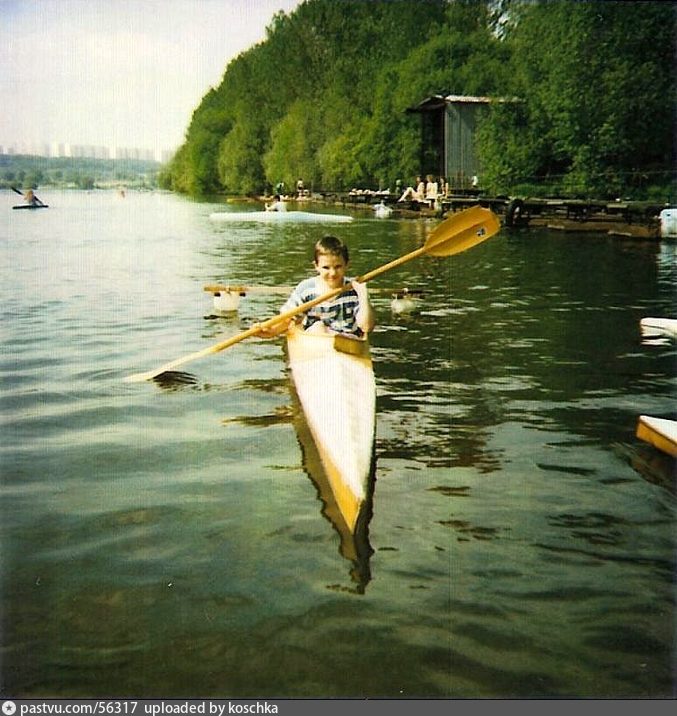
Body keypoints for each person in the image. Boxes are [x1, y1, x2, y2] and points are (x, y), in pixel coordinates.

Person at [256, 235, 375, 338]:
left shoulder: (355, 290)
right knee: (319, 326)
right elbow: (287, 320)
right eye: (326, 267)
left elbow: (366, 327)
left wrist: (363, 295)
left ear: (347, 265)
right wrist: (270, 331)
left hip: (348, 342)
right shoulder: (306, 289)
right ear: (316, 266)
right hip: (316, 340)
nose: (333, 273)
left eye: (338, 267)